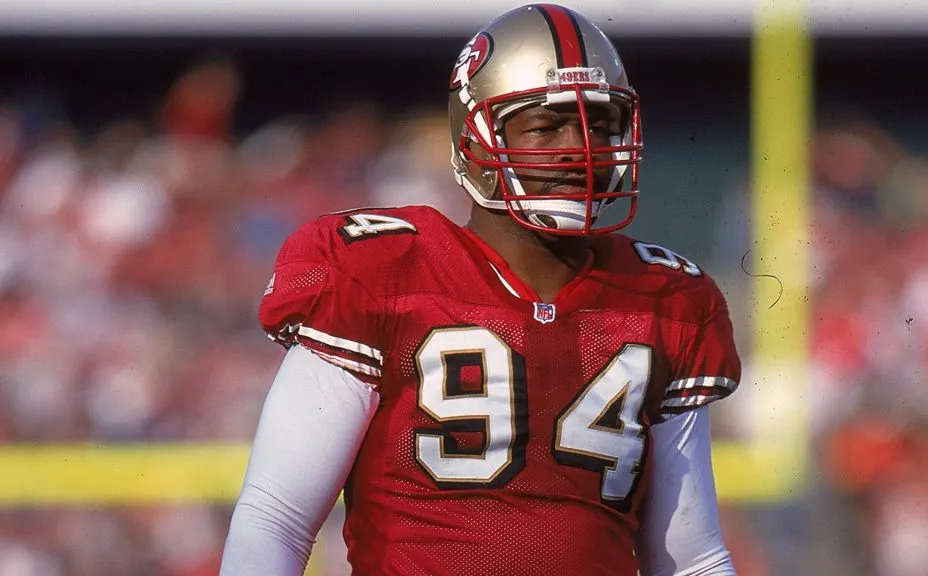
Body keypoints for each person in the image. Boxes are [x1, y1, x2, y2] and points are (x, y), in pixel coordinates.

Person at [220, 4, 741, 575]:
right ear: (475, 141)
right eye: (547, 125)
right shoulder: (382, 271)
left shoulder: (667, 301)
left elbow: (692, 559)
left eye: (600, 123)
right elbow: (277, 517)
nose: (580, 148)